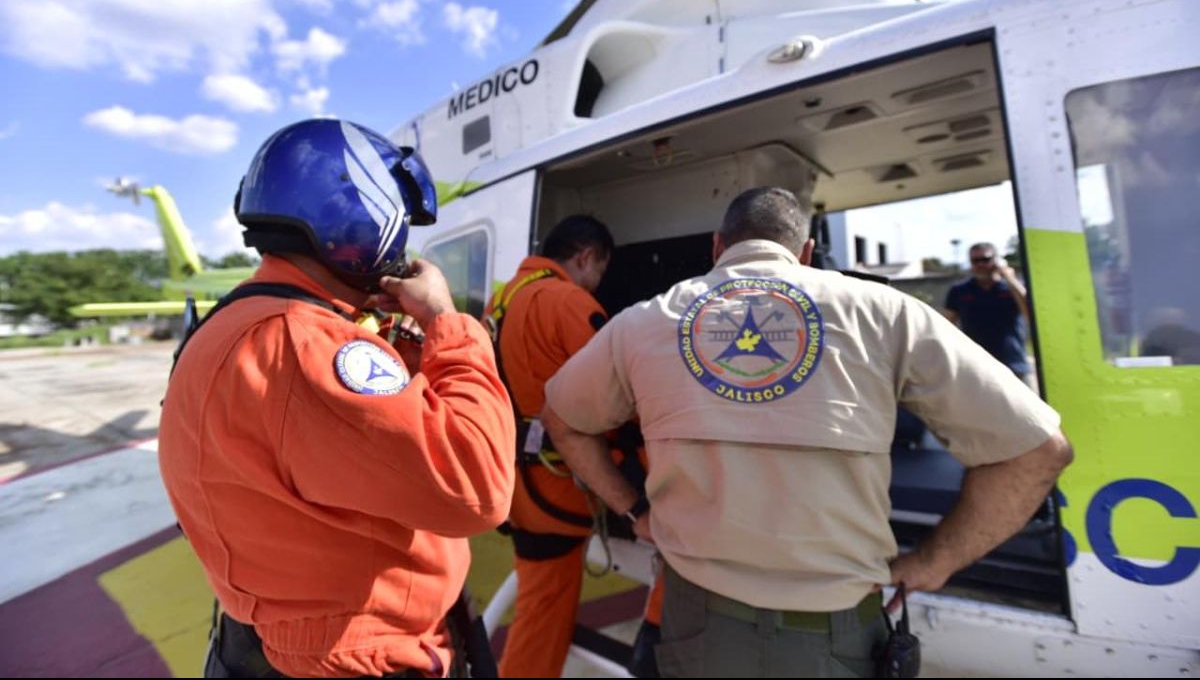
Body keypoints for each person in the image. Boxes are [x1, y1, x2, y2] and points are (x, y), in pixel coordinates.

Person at [540, 187, 1073, 678]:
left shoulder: (642, 321)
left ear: (717, 246)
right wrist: (936, 561)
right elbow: (1039, 451)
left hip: (695, 623)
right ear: (808, 251)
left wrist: (636, 512)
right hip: (835, 633)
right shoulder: (886, 312)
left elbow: (562, 421)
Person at [159, 119, 516, 678]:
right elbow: (477, 486)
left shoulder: (231, 326)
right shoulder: (306, 343)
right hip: (358, 656)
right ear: (364, 215)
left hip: (264, 641)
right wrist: (449, 323)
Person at [484, 215, 635, 678]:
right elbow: (617, 396)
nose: (596, 284)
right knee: (544, 614)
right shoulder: (569, 303)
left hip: (513, 481)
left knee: (538, 601)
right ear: (585, 257)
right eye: (599, 272)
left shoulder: (502, 299)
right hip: (559, 487)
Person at [944, 242, 1033, 383]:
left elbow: (1030, 315)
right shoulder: (959, 291)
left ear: (996, 261)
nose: (980, 264)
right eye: (975, 261)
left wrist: (1010, 278)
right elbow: (946, 325)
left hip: (1014, 366)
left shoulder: (1011, 289)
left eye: (985, 260)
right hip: (977, 368)